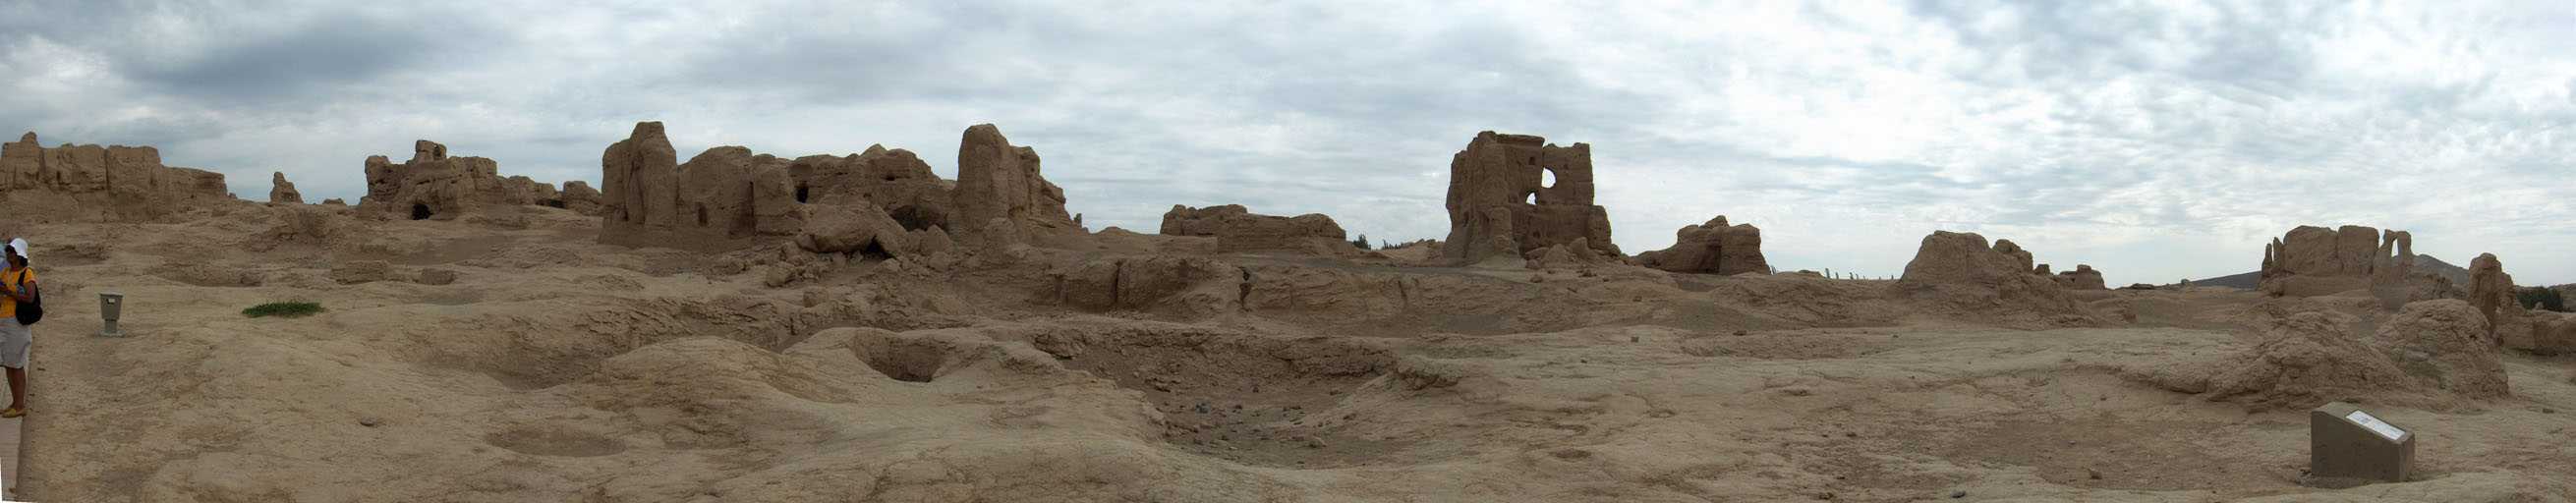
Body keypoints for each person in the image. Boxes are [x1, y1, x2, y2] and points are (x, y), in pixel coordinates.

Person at [0, 241, 33, 419]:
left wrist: (8, 292)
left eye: (12, 251)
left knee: (17, 364)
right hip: (4, 321)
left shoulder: (26, 273)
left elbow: (29, 297)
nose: (9, 254)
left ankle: (20, 405)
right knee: (9, 364)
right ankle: (14, 403)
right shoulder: (5, 272)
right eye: (7, 250)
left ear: (19, 254)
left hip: (17, 323)